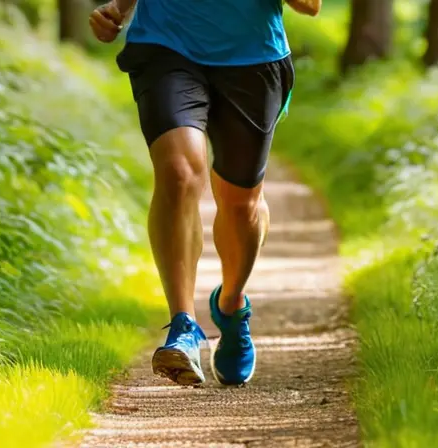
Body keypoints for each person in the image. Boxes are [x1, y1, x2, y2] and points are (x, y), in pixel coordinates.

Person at [89, 0, 319, 386]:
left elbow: (310, 5)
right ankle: (183, 326)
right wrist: (120, 8)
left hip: (252, 55)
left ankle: (230, 305)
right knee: (178, 174)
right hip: (167, 44)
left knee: (241, 205)